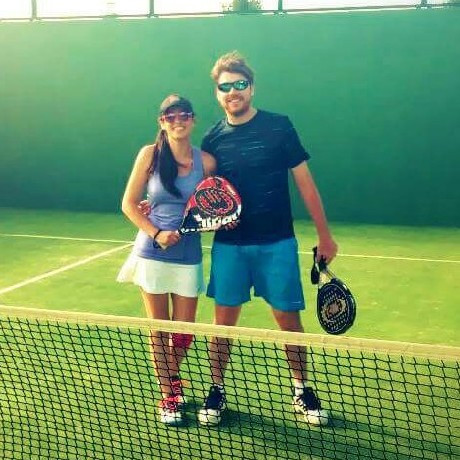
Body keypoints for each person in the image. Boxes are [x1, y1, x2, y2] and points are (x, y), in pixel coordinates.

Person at [197, 52, 338, 427]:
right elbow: (204, 192)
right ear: (217, 93)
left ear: (252, 87)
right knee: (222, 323)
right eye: (225, 86)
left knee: (288, 320)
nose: (233, 92)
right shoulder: (212, 139)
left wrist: (324, 236)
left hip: (277, 243)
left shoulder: (279, 127)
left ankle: (302, 389)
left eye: (239, 84)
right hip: (230, 248)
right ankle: (216, 389)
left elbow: (305, 183)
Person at [117, 94, 215, 426]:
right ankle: (169, 393)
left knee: (183, 332)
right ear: (162, 122)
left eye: (183, 115)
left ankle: (171, 377)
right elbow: (129, 204)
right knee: (159, 329)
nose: (177, 121)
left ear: (193, 120)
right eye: (170, 117)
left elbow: (209, 206)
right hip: (152, 253)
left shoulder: (207, 162)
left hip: (189, 255)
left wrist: (217, 221)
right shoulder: (149, 155)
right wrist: (157, 233)